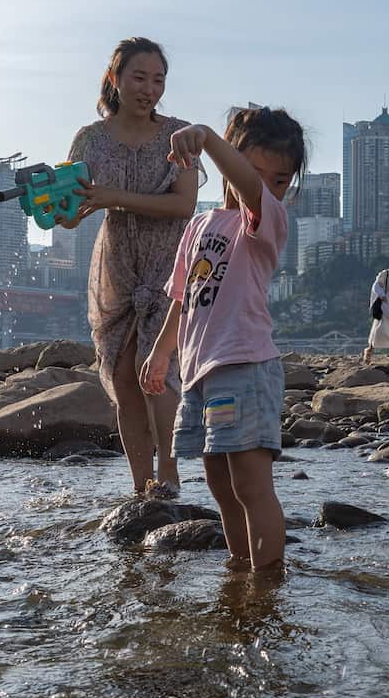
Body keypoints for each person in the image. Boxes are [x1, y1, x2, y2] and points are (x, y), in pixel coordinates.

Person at [141, 107, 305, 573]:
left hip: (245, 367)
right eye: (256, 171)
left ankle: (268, 580)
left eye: (281, 180)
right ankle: (240, 568)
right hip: (200, 374)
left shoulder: (266, 220)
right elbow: (184, 297)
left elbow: (249, 190)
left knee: (252, 485)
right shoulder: (200, 225)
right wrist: (160, 353)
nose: (268, 185)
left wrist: (209, 138)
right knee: (220, 482)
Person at [59, 37, 200, 496]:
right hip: (117, 262)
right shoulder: (89, 139)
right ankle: (142, 486)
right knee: (122, 375)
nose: (149, 89)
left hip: (168, 260)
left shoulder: (177, 134)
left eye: (158, 80)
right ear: (115, 79)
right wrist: (54, 208)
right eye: (139, 77)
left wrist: (114, 198)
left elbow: (184, 205)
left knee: (156, 372)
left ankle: (172, 476)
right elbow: (71, 210)